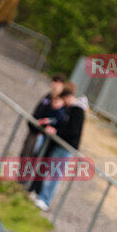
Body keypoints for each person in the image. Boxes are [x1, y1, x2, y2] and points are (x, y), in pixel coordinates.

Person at [31, 83, 88, 211]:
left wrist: (57, 132)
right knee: (50, 172)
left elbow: (73, 131)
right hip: (60, 145)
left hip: (66, 147)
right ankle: (41, 196)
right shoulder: (72, 109)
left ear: (68, 97)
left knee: (55, 175)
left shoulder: (77, 111)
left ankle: (45, 200)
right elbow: (64, 125)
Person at [19, 74, 65, 165]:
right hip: (34, 128)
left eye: (56, 82)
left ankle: (25, 178)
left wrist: (44, 124)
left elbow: (57, 118)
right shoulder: (48, 95)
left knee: (32, 157)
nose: (53, 84)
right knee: (25, 154)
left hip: (41, 133)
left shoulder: (60, 100)